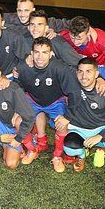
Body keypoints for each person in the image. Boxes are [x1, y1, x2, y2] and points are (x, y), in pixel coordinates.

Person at [55, 58, 105, 190]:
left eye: (88, 72)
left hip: (102, 129)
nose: (84, 76)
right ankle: (82, 155)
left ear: (97, 74)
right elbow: (58, 59)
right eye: (80, 72)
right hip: (79, 128)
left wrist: (101, 136)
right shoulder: (72, 83)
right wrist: (64, 117)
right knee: (69, 148)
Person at [13, 37, 82, 172]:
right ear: (31, 53)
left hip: (55, 101)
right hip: (33, 99)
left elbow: (74, 93)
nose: (40, 57)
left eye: (45, 52)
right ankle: (33, 149)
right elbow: (19, 88)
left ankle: (57, 156)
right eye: (37, 52)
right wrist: (18, 108)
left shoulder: (60, 68)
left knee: (62, 124)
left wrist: (68, 116)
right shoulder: (22, 67)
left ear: (51, 54)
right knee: (18, 121)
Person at [60, 16, 105, 86]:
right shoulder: (64, 36)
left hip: (103, 66)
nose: (75, 42)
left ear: (88, 33)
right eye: (72, 37)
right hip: (81, 66)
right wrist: (52, 33)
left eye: (79, 38)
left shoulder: (102, 40)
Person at [4, 0, 69, 37]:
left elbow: (70, 23)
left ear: (33, 10)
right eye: (20, 11)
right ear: (16, 10)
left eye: (26, 10)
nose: (22, 14)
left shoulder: (47, 22)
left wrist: (57, 35)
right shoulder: (9, 18)